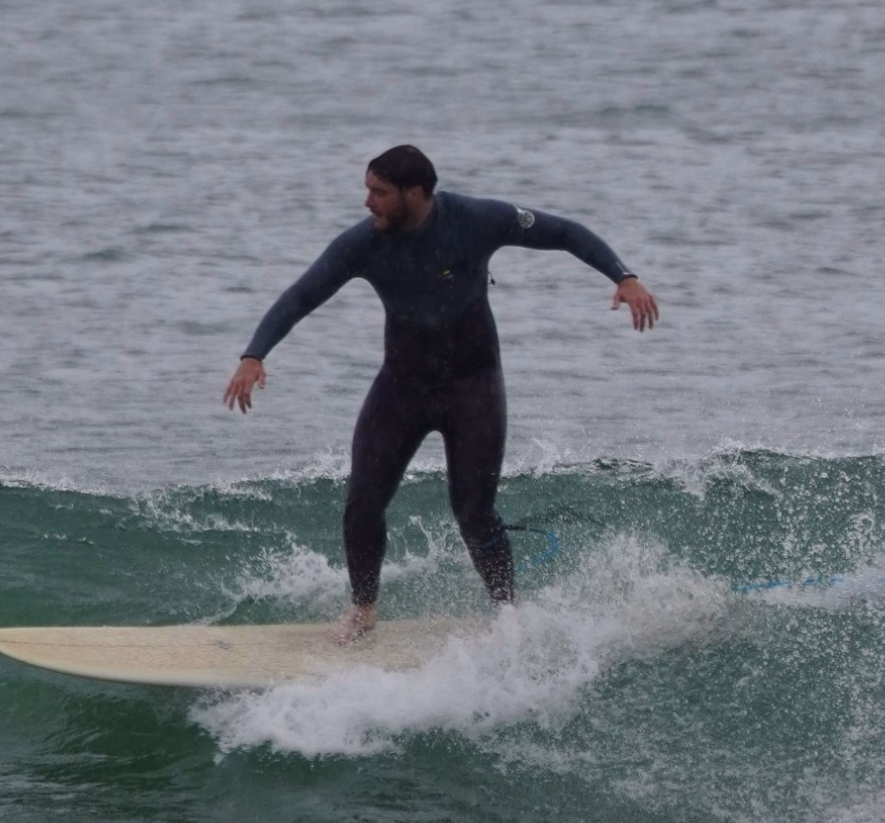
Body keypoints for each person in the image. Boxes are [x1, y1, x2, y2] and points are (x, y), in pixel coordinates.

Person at [223, 144, 658, 641]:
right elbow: (303, 294)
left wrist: (623, 276)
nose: (367, 202)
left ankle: (509, 617)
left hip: (473, 387)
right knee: (362, 505)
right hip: (401, 388)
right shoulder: (363, 244)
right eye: (368, 189)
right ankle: (363, 612)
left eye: (379, 192)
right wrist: (254, 354)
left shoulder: (475, 220)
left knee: (474, 513)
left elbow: (562, 232)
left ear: (414, 193)